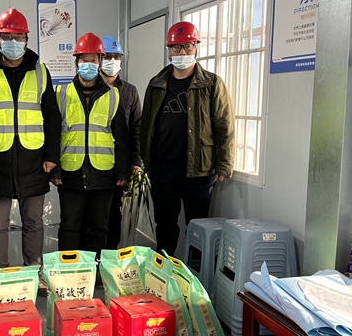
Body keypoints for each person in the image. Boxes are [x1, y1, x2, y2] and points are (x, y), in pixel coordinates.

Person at [0, 8, 61, 294]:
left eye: (18, 36)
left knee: (34, 223)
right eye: (7, 36)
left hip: (34, 160)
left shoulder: (40, 72)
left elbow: (52, 117)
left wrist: (51, 157)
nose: (13, 42)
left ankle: (34, 273)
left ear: (27, 38)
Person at [140, 21, 234, 257]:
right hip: (162, 169)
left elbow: (225, 125)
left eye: (188, 46)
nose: (182, 53)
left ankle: (195, 274)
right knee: (165, 225)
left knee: (198, 227)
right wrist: (147, 162)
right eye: (176, 47)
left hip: (199, 170)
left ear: (196, 47)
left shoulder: (212, 83)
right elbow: (146, 125)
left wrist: (224, 163)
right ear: (169, 50)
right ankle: (163, 270)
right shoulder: (156, 84)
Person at [51, 33, 130, 267]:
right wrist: (55, 169)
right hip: (70, 173)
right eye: (84, 60)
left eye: (93, 60)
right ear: (76, 62)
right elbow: (54, 134)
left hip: (103, 173)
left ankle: (93, 272)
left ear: (100, 61)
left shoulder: (113, 95)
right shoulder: (62, 93)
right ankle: (68, 270)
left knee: (99, 227)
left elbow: (122, 137)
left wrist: (122, 172)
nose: (88, 65)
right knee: (69, 227)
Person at [78, 35, 142, 250]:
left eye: (117, 57)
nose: (112, 61)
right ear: (99, 59)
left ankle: (109, 256)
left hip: (116, 164)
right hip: (87, 163)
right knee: (86, 214)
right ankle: (85, 257)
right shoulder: (83, 88)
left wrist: (135, 161)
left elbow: (136, 128)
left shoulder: (129, 91)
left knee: (113, 212)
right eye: (107, 57)